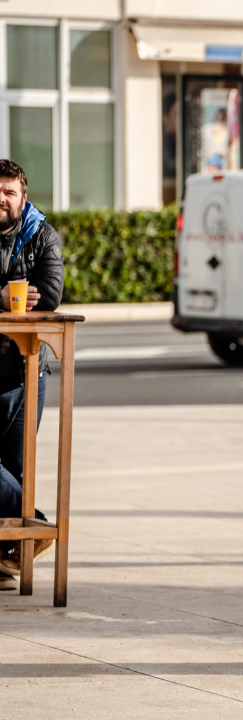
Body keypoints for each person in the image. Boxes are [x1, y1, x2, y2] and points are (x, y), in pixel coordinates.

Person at [0, 160, 65, 586]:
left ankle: (7, 559)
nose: (1, 200)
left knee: (18, 466)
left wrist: (15, 296)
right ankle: (33, 521)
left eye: (8, 192)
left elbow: (52, 293)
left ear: (23, 197)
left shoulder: (42, 234)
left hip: (25, 372)